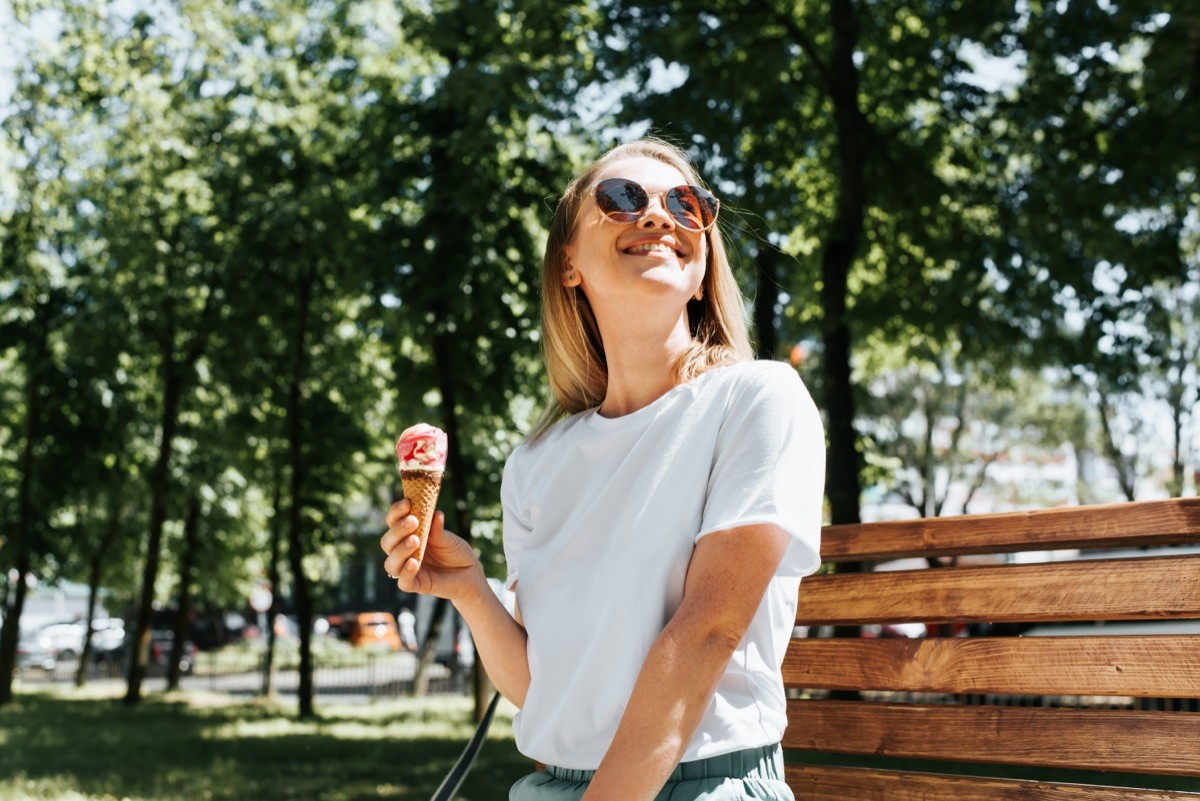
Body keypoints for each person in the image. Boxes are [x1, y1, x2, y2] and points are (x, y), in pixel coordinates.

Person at [381, 137, 825, 800]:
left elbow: (706, 633)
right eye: (623, 199)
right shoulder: (536, 463)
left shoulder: (757, 398)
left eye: (687, 204)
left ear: (703, 267)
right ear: (568, 264)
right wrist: (471, 588)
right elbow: (546, 689)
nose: (657, 215)